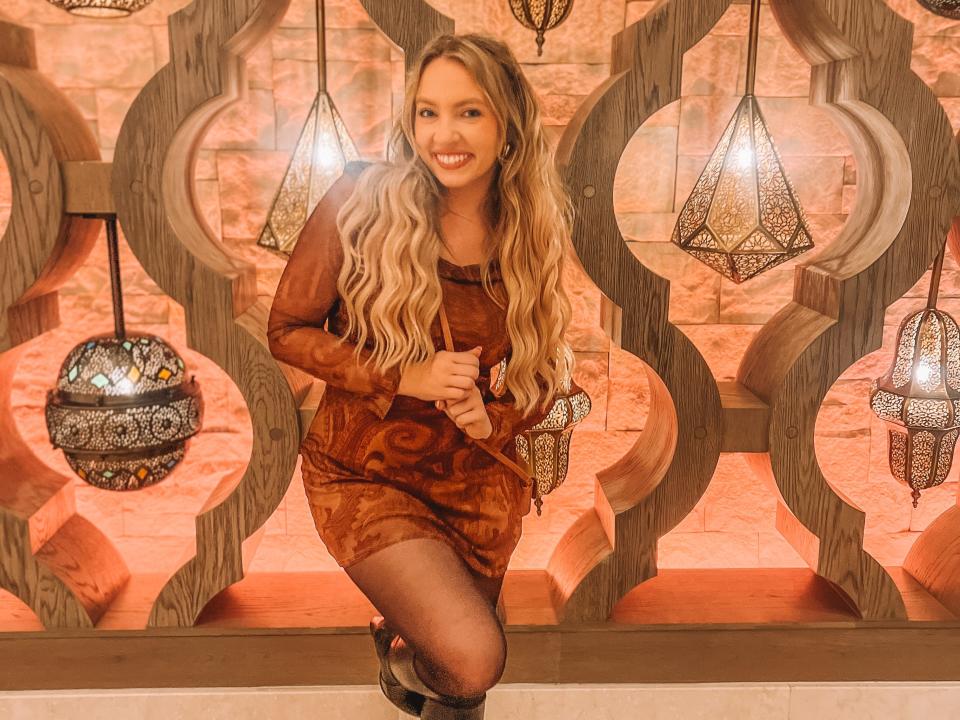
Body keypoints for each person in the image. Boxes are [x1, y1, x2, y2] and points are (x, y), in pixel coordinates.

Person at [267, 32, 582, 719]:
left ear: (507, 125)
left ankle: (402, 655)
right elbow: (286, 331)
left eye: (469, 112)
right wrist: (403, 376)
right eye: (428, 112)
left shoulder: (529, 227)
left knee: (460, 680)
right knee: (473, 657)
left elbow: (542, 377)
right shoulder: (360, 199)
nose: (445, 133)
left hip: (474, 481)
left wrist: (493, 416)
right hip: (364, 470)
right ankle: (402, 652)